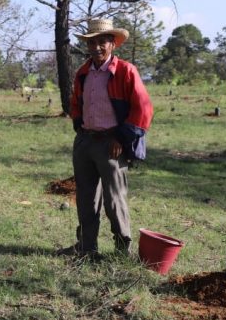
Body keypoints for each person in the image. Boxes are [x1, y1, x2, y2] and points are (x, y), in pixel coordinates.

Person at [58, 18, 154, 259]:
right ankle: (87, 248)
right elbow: (76, 102)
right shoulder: (83, 72)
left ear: (113, 44)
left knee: (114, 200)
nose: (97, 47)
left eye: (102, 42)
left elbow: (143, 110)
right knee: (86, 198)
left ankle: (122, 250)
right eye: (92, 43)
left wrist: (121, 139)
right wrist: (79, 125)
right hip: (85, 142)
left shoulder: (125, 71)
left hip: (112, 144)